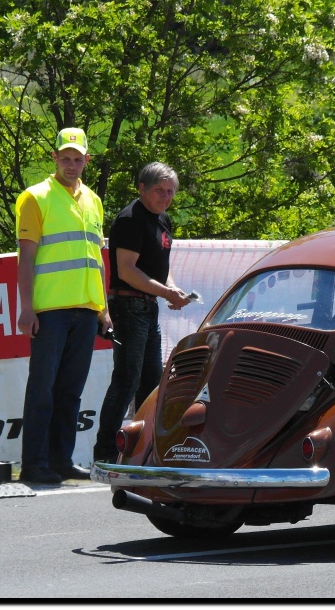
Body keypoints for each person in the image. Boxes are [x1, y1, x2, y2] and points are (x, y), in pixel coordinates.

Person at [16, 127, 111, 483]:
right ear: (55, 158)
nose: (72, 165)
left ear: (87, 160)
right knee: (42, 389)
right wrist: (27, 308)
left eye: (78, 159)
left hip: (85, 311)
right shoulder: (35, 197)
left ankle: (60, 459)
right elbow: (26, 259)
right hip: (49, 311)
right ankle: (34, 463)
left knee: (70, 391)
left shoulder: (93, 201)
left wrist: (102, 309)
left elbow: (96, 261)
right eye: (65, 158)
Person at [93, 162, 191, 463]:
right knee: (126, 380)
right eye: (159, 190)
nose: (165, 197)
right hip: (129, 305)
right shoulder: (130, 219)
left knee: (152, 382)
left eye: (170, 191)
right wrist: (165, 292)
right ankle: (106, 452)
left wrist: (172, 290)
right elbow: (127, 270)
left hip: (149, 307)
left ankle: (143, 452)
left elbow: (161, 265)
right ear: (142, 188)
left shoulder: (163, 220)